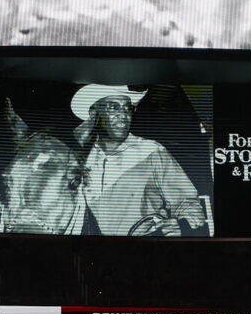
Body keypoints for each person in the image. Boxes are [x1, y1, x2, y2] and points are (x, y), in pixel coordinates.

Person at [70, 85, 209, 236]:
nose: (123, 114)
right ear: (94, 114)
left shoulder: (151, 151)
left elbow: (187, 201)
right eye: (113, 107)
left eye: (128, 108)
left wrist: (181, 225)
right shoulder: (81, 160)